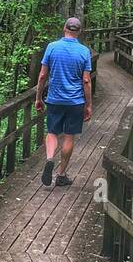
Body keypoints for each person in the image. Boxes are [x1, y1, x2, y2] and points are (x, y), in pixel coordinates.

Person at [35, 16, 93, 187]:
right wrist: (88, 105)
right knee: (69, 136)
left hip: (54, 99)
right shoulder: (84, 51)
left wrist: (38, 98)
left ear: (64, 28)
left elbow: (43, 75)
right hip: (75, 101)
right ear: (79, 32)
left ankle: (50, 158)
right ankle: (61, 175)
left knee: (52, 132)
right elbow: (86, 81)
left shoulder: (52, 47)